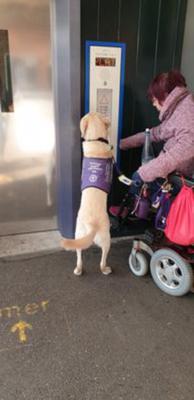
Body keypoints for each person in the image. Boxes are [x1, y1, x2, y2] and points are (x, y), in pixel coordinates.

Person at [120, 70, 194, 187]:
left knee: (137, 183)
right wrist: (121, 144)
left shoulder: (186, 112)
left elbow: (185, 149)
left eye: (154, 100)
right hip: (171, 177)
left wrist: (147, 172)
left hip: (179, 182)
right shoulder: (179, 109)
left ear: (165, 95)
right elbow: (154, 133)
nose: (154, 105)